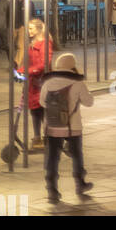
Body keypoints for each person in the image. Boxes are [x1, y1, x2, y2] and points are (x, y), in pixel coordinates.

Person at [40, 51, 95, 205]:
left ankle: (52, 190)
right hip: (73, 127)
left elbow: (42, 102)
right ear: (72, 66)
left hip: (52, 127)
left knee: (52, 158)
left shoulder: (48, 82)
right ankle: (80, 184)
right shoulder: (77, 83)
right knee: (77, 155)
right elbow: (89, 102)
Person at [19, 18, 53, 148]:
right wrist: (20, 71)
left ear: (38, 29)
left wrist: (27, 71)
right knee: (34, 110)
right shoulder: (32, 43)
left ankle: (47, 137)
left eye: (31, 28)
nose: (28, 31)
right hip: (33, 82)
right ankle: (37, 137)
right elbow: (28, 62)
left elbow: (44, 64)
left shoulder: (45, 44)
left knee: (43, 110)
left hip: (42, 82)